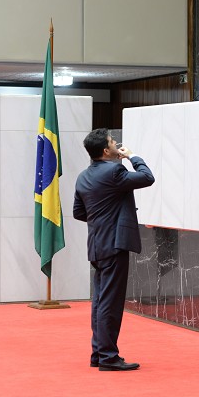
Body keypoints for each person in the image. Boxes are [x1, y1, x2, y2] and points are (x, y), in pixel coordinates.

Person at [73, 128, 155, 371]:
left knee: (100, 302)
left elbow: (79, 212)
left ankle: (98, 354)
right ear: (106, 150)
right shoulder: (114, 171)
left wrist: (102, 218)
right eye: (112, 141)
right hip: (115, 244)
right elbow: (147, 177)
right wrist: (132, 156)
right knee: (110, 303)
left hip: (96, 244)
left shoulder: (83, 177)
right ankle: (108, 357)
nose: (116, 143)